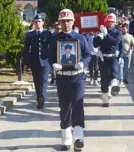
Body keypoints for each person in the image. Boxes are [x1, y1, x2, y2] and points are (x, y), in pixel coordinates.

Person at [51, 8, 91, 151]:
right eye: (63, 21)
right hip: (62, 78)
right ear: (59, 23)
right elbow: (49, 56)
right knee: (65, 107)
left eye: (68, 21)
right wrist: (53, 64)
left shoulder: (80, 38)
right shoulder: (55, 38)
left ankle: (79, 136)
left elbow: (88, 55)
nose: (66, 23)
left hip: (78, 76)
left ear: (73, 21)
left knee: (78, 105)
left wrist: (83, 63)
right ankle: (66, 137)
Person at [23, 14, 52, 109]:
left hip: (45, 61)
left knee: (44, 80)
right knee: (37, 81)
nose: (37, 23)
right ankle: (39, 96)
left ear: (43, 22)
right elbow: (26, 50)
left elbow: (52, 47)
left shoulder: (48, 34)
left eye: (39, 21)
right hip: (34, 61)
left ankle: (42, 98)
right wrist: (26, 63)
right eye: (36, 21)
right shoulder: (30, 35)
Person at [93, 13, 122, 107]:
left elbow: (115, 42)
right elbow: (95, 44)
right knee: (104, 78)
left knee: (114, 72)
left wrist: (106, 35)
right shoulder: (101, 31)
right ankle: (105, 99)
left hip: (113, 56)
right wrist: (98, 37)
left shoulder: (117, 32)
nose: (110, 23)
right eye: (109, 22)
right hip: (103, 57)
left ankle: (114, 86)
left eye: (112, 22)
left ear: (115, 23)